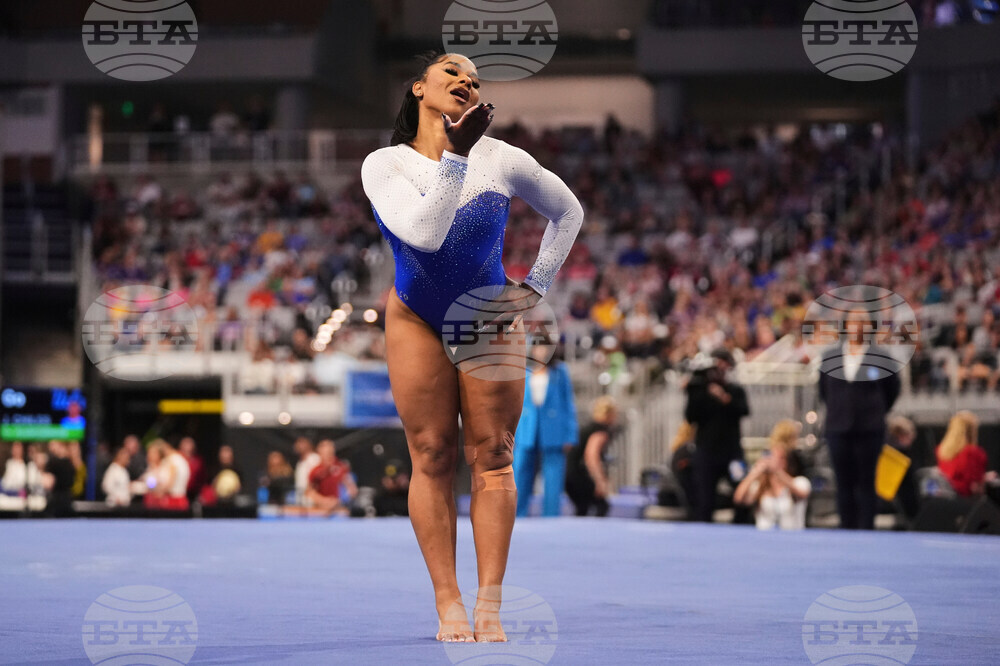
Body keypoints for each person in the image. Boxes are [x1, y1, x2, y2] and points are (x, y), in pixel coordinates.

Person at [360, 51, 583, 642]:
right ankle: (447, 600)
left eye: (475, 79)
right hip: (417, 319)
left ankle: (490, 602)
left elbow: (568, 210)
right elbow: (426, 236)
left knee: (494, 455)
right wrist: (456, 156)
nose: (465, 81)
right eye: (452, 73)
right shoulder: (385, 165)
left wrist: (535, 286)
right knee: (432, 454)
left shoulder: (501, 158)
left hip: (488, 315)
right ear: (418, 89)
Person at [818, 307, 901, 529]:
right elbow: (824, 391)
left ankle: (866, 531)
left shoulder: (881, 356)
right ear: (845, 325)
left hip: (869, 429)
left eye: (862, 321)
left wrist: (875, 410)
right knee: (843, 482)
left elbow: (892, 389)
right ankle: (846, 529)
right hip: (838, 428)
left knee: (867, 482)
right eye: (854, 321)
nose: (858, 326)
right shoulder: (830, 356)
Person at [683, 348, 750, 522]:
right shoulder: (699, 390)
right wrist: (695, 391)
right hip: (706, 451)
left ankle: (741, 528)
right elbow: (691, 417)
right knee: (704, 499)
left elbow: (744, 410)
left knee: (742, 490)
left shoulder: (735, 390)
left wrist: (723, 398)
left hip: (732, 451)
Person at [513, 344, 579, 517]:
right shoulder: (524, 370)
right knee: (520, 472)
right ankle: (517, 513)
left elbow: (568, 403)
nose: (541, 351)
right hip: (527, 428)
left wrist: (570, 434)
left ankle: (551, 515)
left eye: (544, 347)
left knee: (553, 474)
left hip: (554, 428)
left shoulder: (560, 371)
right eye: (537, 347)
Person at [733, 420, 812, 530]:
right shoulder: (761, 486)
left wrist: (778, 472)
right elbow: (739, 498)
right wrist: (755, 473)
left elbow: (802, 493)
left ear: (787, 462)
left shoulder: (799, 481)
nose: (776, 462)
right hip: (764, 539)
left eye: (781, 459)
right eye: (773, 458)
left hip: (793, 539)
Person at [565, 397, 618, 517]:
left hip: (568, 474)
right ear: (611, 414)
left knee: (582, 508)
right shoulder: (600, 431)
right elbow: (591, 456)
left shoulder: (587, 428)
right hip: (577, 475)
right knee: (601, 506)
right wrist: (600, 481)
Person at [936, 411, 994, 497]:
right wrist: (984, 479)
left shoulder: (941, 451)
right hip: (967, 500)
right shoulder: (974, 453)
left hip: (947, 502)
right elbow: (975, 487)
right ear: (972, 431)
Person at [305, 440, 357, 516]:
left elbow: (352, 489)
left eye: (330, 453)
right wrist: (323, 501)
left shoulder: (341, 468)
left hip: (337, 509)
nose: (328, 456)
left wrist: (338, 501)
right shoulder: (315, 471)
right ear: (320, 454)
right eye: (325, 453)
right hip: (321, 510)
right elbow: (309, 492)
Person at [886, 414, 921, 525]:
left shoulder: (885, 452)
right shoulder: (902, 456)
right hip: (901, 507)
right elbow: (909, 488)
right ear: (902, 435)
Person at [41, 440, 76, 517]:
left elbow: (47, 483)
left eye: (52, 445)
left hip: (57, 502)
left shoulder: (53, 462)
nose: (50, 448)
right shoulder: (70, 462)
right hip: (67, 501)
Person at [293, 437, 321, 506]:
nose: (299, 445)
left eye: (302, 442)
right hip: (301, 501)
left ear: (309, 444)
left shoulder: (314, 459)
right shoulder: (300, 462)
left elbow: (318, 480)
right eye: (298, 443)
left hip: (314, 501)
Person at [178, 437, 206, 502]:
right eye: (185, 444)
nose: (187, 446)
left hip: (194, 492)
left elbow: (202, 477)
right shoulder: (177, 459)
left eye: (189, 444)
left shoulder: (198, 461)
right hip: (179, 493)